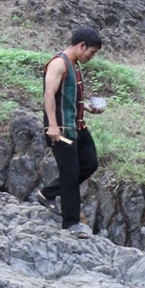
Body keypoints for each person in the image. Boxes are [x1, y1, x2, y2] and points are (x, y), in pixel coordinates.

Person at [39, 27, 104, 239]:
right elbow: (49, 94)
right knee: (70, 173)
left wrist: (88, 107)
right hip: (62, 128)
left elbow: (70, 95)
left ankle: (48, 192)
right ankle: (71, 223)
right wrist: (52, 126)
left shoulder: (74, 65)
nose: (91, 57)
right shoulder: (59, 63)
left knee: (90, 162)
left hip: (77, 126)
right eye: (91, 53)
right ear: (81, 46)